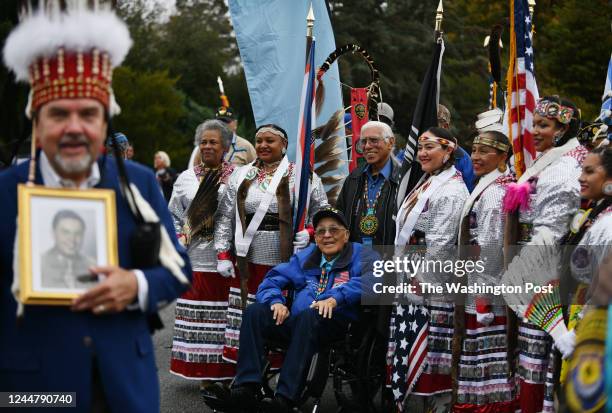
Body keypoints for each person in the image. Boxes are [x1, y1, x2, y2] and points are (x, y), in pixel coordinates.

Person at [0, 7, 192, 412]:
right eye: (58, 114)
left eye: (87, 114)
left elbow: (177, 270)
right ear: (37, 123)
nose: (74, 127)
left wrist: (135, 285)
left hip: (126, 388)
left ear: (104, 123)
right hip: (32, 391)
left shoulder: (136, 182)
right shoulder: (5, 193)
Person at [229, 207, 377, 412]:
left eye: (333, 230)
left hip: (337, 325)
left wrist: (336, 298)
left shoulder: (363, 254)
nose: (327, 235)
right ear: (315, 237)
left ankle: (285, 398)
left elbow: (374, 280)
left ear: (346, 235)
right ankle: (246, 386)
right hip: (299, 321)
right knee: (255, 312)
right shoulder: (306, 257)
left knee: (310, 316)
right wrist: (276, 302)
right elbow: (272, 280)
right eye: (320, 231)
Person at [501, 96, 588, 413]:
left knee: (538, 363)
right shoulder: (552, 160)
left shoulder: (563, 170)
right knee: (533, 360)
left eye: (544, 125)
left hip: (547, 276)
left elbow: (547, 237)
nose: (534, 131)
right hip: (539, 267)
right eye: (534, 124)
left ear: (563, 129)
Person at [214, 123, 328, 364]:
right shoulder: (240, 174)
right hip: (248, 261)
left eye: (270, 141)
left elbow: (324, 214)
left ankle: (281, 366)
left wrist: (310, 232)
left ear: (284, 145)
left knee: (279, 308)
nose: (263, 145)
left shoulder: (303, 176)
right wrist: (223, 253)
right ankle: (246, 369)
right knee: (250, 311)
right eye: (259, 141)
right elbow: (224, 216)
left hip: (287, 261)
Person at [389, 127, 469, 412]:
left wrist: (420, 281)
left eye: (430, 147)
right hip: (410, 278)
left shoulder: (452, 190)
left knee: (430, 363)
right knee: (412, 357)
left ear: (448, 151)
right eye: (420, 147)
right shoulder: (428, 181)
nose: (422, 153)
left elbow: (442, 244)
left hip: (430, 288)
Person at [168, 120, 236, 386]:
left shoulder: (239, 176)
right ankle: (202, 374)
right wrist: (178, 241)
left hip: (226, 260)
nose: (207, 146)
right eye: (203, 142)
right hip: (195, 258)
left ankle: (226, 371)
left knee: (225, 317)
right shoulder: (185, 179)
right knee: (198, 317)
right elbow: (173, 214)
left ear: (225, 146)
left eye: (213, 142)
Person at [453, 130, 515, 411]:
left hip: (485, 294)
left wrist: (482, 299)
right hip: (479, 286)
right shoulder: (489, 186)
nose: (475, 157)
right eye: (474, 150)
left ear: (503, 157)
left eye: (484, 151)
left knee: (486, 358)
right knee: (480, 357)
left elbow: (490, 249)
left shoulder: (495, 192)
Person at [560, 145, 612, 412]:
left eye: (590, 171)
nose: (581, 177)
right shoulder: (598, 214)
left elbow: (603, 289)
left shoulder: (608, 225)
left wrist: (580, 331)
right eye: (581, 169)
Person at [335, 120, 400, 246]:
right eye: (363, 142)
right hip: (354, 258)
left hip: (389, 259)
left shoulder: (403, 179)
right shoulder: (354, 177)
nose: (367, 146)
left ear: (390, 143)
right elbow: (340, 216)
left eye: (374, 140)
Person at [41, 210, 96, 290]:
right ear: (53, 233)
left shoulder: (94, 266)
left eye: (78, 233)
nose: (72, 239)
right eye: (65, 232)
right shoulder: (40, 264)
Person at [438, 104, 476, 192]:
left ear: (445, 126)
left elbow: (469, 193)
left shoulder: (463, 160)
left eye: (432, 123)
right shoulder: (413, 151)